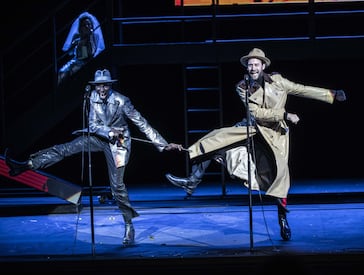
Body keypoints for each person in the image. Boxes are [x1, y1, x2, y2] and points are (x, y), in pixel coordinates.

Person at [165, 48, 346, 241]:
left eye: (256, 65)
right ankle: (193, 180)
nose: (252, 68)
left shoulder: (278, 81)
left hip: (275, 134)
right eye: (250, 65)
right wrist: (285, 114)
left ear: (263, 66)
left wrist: (330, 95)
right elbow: (256, 114)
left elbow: (301, 89)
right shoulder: (242, 87)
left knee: (280, 175)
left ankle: (282, 219)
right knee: (216, 139)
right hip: (253, 128)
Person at [5, 68, 184, 246]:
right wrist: (108, 131)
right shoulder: (92, 97)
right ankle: (26, 165)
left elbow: (141, 123)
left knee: (117, 186)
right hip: (99, 138)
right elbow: (92, 123)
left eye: (105, 86)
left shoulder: (122, 101)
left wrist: (162, 143)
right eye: (98, 86)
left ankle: (129, 225)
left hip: (119, 144)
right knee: (65, 148)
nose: (101, 90)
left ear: (110, 85)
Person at [58, 12, 105, 85]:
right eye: (84, 25)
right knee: (62, 72)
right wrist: (74, 44)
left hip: (89, 61)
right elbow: (70, 52)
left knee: (76, 71)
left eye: (89, 24)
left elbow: (88, 54)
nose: (87, 26)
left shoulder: (94, 36)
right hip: (77, 60)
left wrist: (86, 39)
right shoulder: (77, 36)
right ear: (80, 27)